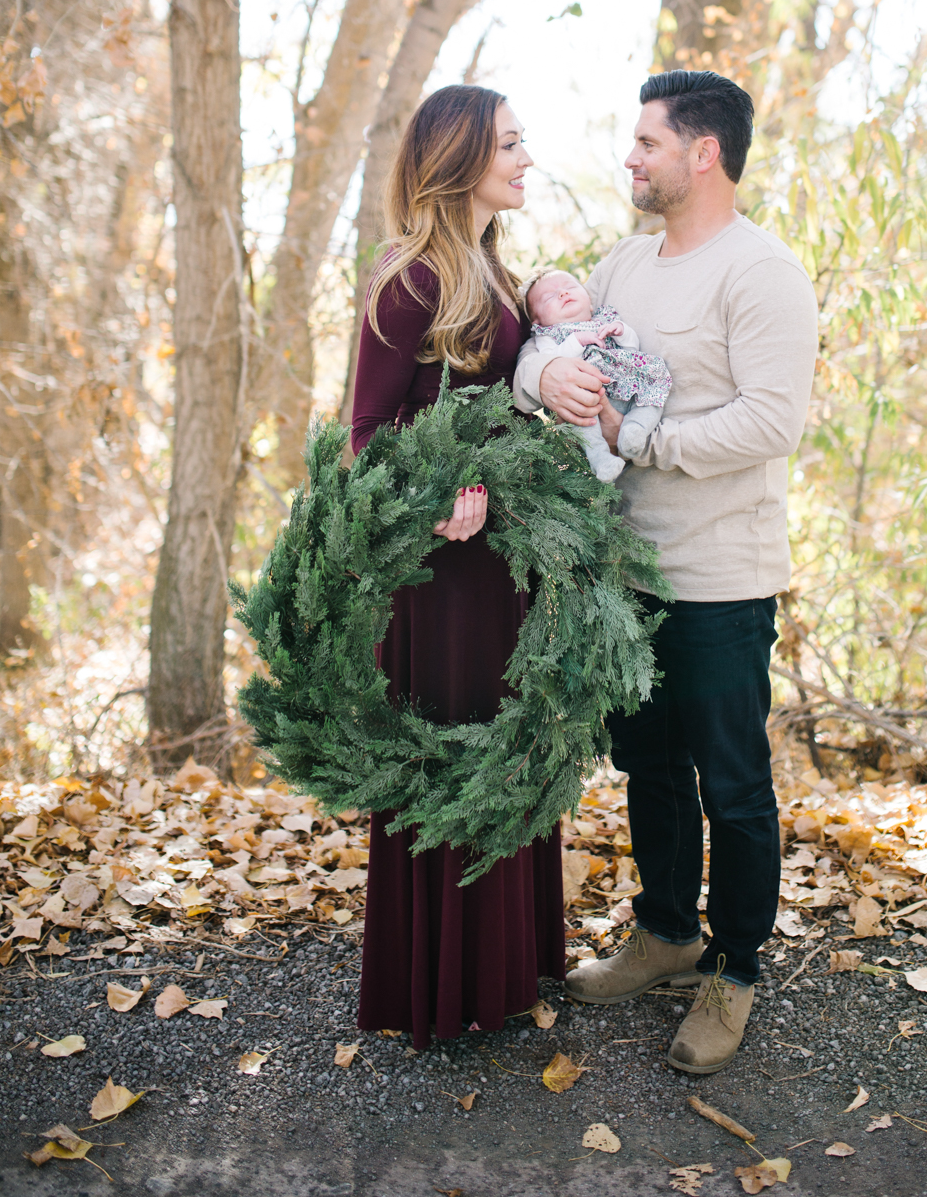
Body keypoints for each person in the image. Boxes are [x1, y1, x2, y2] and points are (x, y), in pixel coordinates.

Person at [513, 69, 818, 1076]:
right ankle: (664, 932)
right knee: (649, 766)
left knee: (732, 782)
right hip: (629, 575)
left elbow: (774, 419)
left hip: (724, 576)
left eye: (647, 142)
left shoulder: (761, 271)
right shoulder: (623, 262)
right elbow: (551, 346)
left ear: (702, 153)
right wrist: (537, 376)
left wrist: (645, 442)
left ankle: (733, 969)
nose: (631, 159)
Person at [351, 84, 564, 1050]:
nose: (526, 158)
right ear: (461, 158)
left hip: (504, 566)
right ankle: (442, 982)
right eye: (511, 144)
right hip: (442, 580)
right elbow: (365, 435)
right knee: (459, 752)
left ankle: (503, 966)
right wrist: (435, 499)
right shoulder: (411, 280)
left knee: (508, 746)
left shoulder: (495, 270)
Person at [520, 267, 672, 482]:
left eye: (570, 287)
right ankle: (601, 459)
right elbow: (550, 360)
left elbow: (632, 348)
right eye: (549, 297)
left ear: (590, 301)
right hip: (588, 395)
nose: (563, 293)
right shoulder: (548, 336)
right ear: (537, 321)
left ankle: (635, 428)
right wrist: (576, 341)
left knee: (654, 382)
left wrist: (621, 331)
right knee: (582, 420)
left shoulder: (605, 318)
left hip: (625, 381)